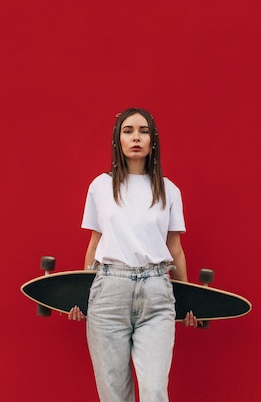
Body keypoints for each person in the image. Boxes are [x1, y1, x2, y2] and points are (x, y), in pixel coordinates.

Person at [68, 107, 198, 402]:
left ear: (153, 140)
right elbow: (94, 243)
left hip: (156, 292)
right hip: (109, 292)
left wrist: (190, 300)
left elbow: (175, 248)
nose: (136, 137)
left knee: (154, 392)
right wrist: (78, 294)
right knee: (114, 396)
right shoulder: (100, 187)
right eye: (128, 131)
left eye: (143, 131)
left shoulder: (168, 190)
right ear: (118, 140)